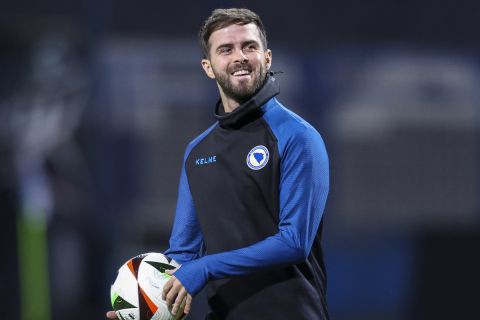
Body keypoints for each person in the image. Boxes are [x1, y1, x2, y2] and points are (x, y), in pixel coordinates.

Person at [107, 7, 329, 320]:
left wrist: (206, 267)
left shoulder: (298, 136)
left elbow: (294, 242)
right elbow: (183, 254)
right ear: (208, 67)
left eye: (248, 46)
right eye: (226, 49)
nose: (239, 56)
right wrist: (147, 303)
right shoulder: (197, 151)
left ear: (266, 58)